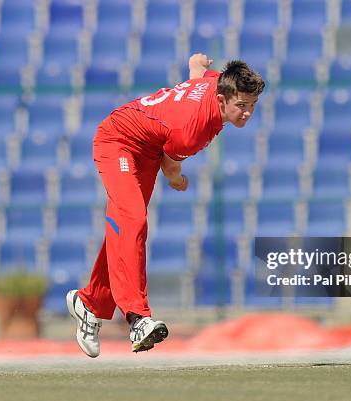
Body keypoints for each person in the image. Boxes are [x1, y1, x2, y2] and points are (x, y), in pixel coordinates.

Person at [66, 53, 265, 356]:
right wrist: (178, 180)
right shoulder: (194, 130)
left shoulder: (215, 83)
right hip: (118, 140)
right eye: (241, 105)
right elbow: (170, 167)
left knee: (125, 229)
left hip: (148, 148)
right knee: (132, 218)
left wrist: (197, 63)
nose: (247, 113)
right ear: (222, 99)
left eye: (252, 105)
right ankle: (137, 318)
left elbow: (198, 73)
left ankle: (90, 302)